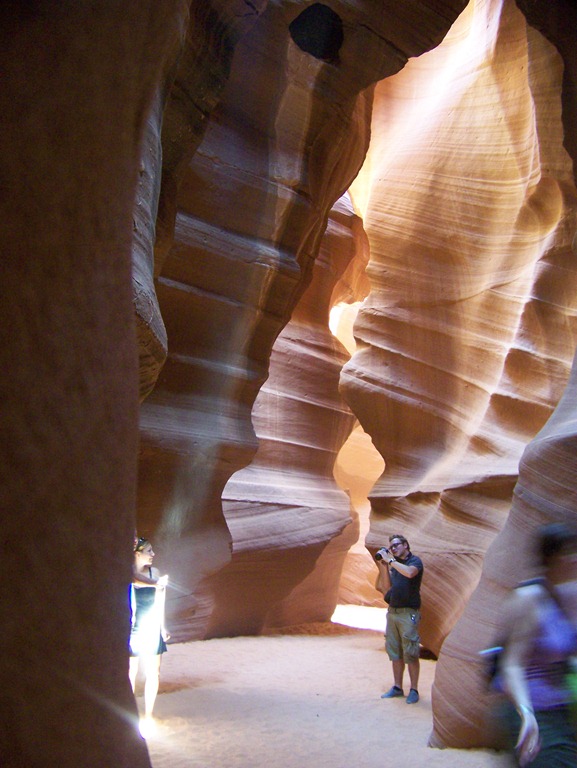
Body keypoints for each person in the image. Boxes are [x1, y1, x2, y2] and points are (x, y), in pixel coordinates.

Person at [499, 523, 577, 767]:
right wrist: (526, 713)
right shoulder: (528, 599)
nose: (574, 559)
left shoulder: (567, 596)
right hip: (532, 711)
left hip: (559, 708)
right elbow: (512, 664)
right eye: (568, 552)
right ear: (551, 558)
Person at [375, 534, 424, 704]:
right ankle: (397, 687)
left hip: (408, 613)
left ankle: (414, 689)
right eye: (391, 547)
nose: (393, 548)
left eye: (396, 545)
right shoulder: (393, 565)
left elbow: (410, 573)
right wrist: (383, 567)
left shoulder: (414, 561)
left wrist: (390, 561)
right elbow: (386, 588)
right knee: (395, 651)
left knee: (411, 651)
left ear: (405, 545)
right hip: (393, 613)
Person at [129, 536, 169, 731]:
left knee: (154, 671)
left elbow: (160, 602)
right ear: (137, 554)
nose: (153, 554)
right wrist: (155, 584)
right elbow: (135, 582)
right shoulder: (130, 574)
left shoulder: (155, 572)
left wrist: (163, 626)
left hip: (152, 625)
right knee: (131, 671)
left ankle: (148, 715)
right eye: (148, 551)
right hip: (133, 627)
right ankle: (131, 713)